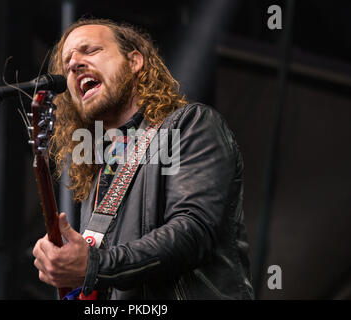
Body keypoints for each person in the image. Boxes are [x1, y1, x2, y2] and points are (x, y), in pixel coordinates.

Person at [32, 18, 254, 300]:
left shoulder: (190, 124)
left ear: (135, 60)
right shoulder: (100, 167)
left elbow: (193, 232)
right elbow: (113, 274)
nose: (74, 64)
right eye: (66, 64)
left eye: (90, 50)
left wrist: (94, 265)